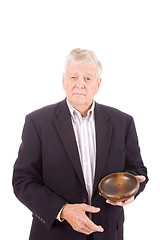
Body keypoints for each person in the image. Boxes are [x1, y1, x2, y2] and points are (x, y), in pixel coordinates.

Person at [12, 48, 148, 240]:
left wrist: (132, 187)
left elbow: (137, 170)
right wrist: (63, 210)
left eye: (88, 78)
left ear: (98, 84)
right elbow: (23, 181)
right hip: (55, 234)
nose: (80, 84)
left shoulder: (122, 122)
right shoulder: (37, 122)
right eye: (73, 77)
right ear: (63, 81)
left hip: (107, 233)